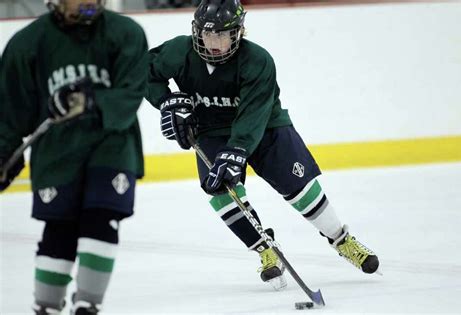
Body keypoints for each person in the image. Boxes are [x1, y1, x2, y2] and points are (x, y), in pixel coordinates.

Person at [147, 0, 379, 291]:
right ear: (196, 32)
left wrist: (238, 149)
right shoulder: (178, 50)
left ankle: (341, 239)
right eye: (208, 35)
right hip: (211, 130)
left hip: (265, 126)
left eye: (222, 35)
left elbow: (254, 113)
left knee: (300, 188)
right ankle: (265, 251)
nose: (214, 43)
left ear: (238, 33)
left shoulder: (257, 60)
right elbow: (144, 72)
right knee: (220, 191)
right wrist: (166, 100)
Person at [0, 0, 148, 314]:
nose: (88, 3)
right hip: (56, 152)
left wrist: (91, 99)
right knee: (59, 228)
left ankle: (87, 305)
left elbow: (132, 92)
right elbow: (11, 114)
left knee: (101, 216)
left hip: (111, 143)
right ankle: (47, 306)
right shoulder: (27, 43)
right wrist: (3, 155)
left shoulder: (125, 33)